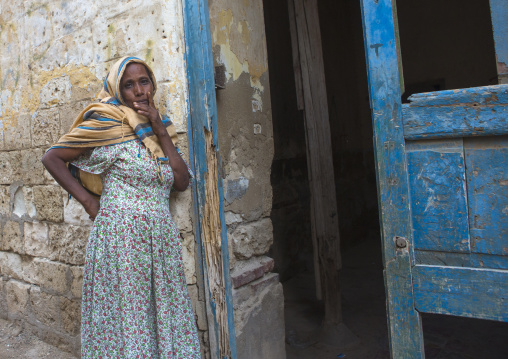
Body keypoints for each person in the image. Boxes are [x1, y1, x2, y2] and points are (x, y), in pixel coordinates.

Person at [42, 56, 201, 358]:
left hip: (159, 238)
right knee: (129, 317)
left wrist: (157, 126)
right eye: (129, 85)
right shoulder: (106, 124)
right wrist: (89, 202)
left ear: (152, 85)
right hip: (121, 240)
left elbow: (180, 182)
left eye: (144, 82)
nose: (139, 91)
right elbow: (52, 157)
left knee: (161, 311)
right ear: (117, 90)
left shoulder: (160, 129)